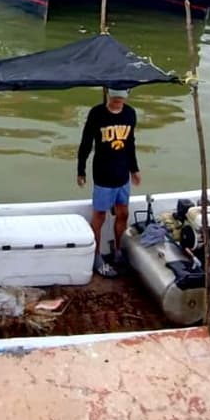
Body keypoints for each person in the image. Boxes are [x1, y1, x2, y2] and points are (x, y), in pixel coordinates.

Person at [76, 87, 141, 278]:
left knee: (123, 213)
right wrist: (81, 170)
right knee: (100, 216)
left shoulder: (130, 113)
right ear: (108, 97)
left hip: (122, 173)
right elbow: (86, 142)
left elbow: (130, 143)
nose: (117, 103)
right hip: (103, 173)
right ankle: (96, 256)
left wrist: (134, 169)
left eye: (121, 100)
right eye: (114, 100)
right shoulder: (97, 113)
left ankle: (119, 251)